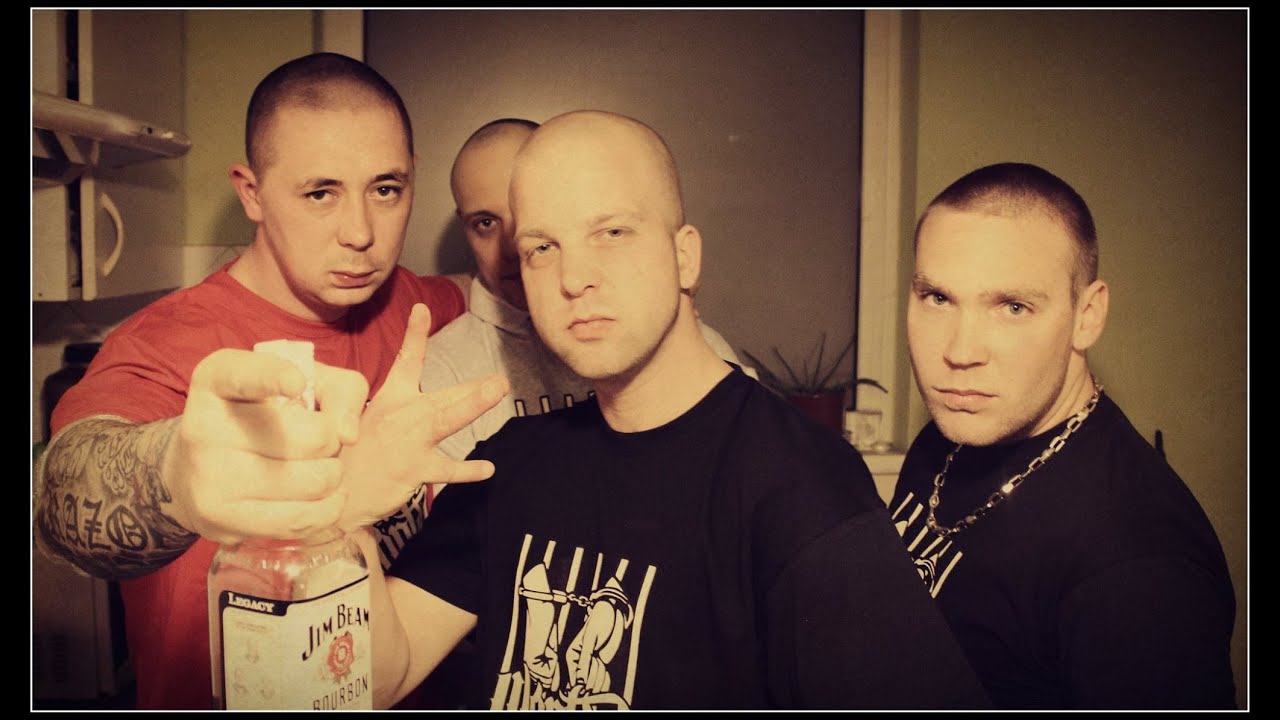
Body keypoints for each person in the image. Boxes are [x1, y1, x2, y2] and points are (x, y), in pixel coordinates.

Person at [355, 110, 990, 710]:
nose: (573, 278)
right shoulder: (509, 462)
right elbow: (382, 676)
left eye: (611, 232)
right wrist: (344, 517)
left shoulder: (800, 484)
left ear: (685, 256)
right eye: (542, 248)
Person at [32, 52, 506, 710]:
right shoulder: (167, 344)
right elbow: (63, 496)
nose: (361, 233)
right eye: (320, 193)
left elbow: (491, 288)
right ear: (252, 193)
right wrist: (177, 476)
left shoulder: (414, 306)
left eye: (385, 189)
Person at [888, 162, 1236, 709]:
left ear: (1087, 316)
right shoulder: (951, 434)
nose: (958, 352)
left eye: (1013, 307)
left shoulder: (1138, 570)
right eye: (938, 298)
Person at [423, 117, 748, 460]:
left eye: (612, 233)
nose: (512, 247)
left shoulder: (681, 342)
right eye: (486, 223)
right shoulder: (446, 369)